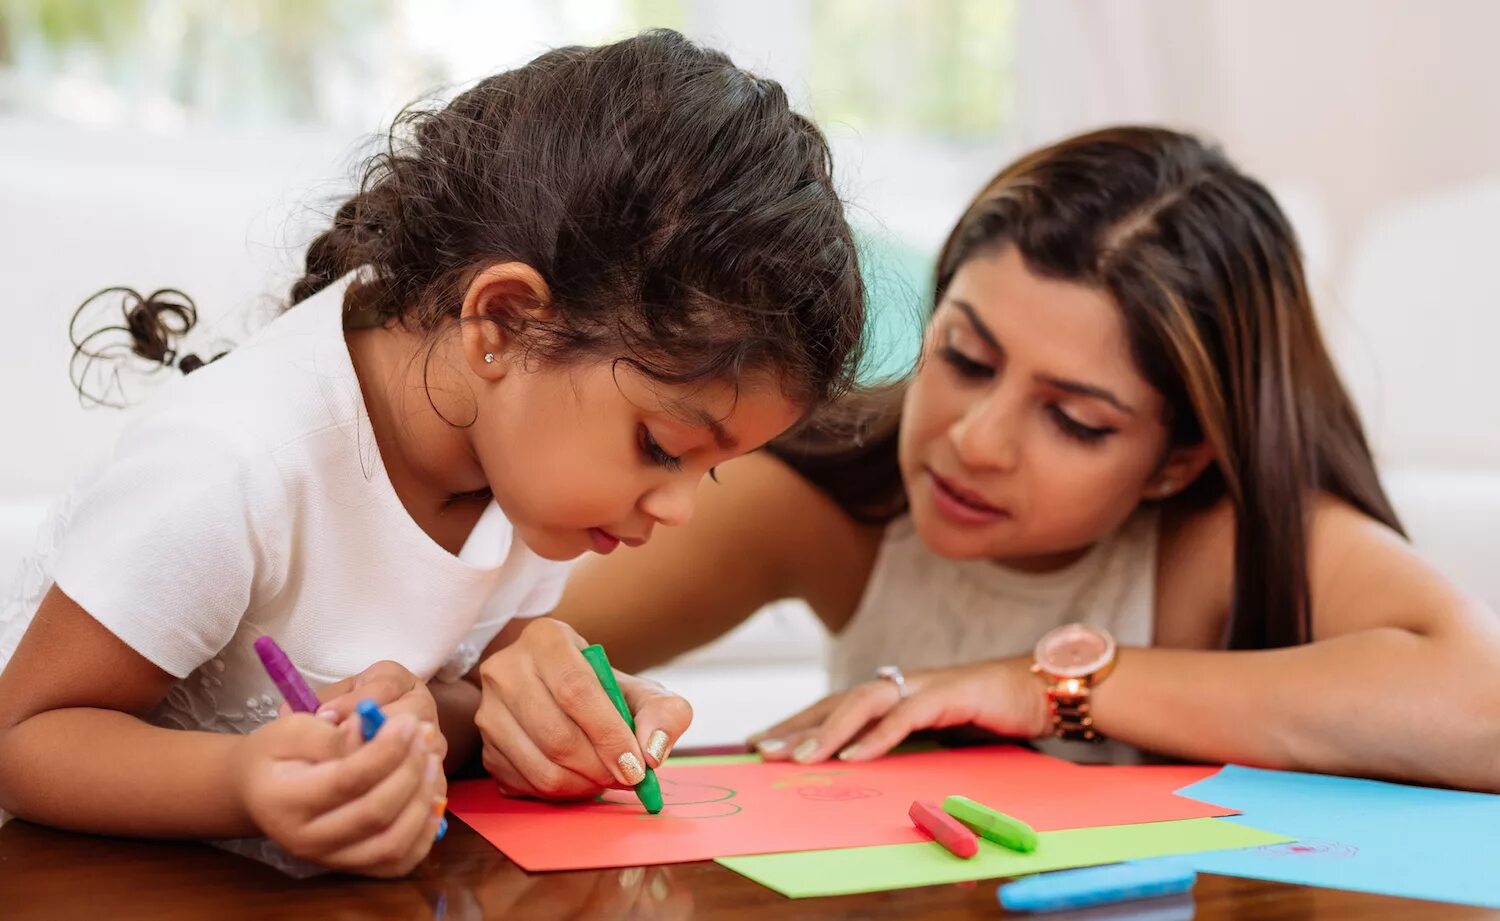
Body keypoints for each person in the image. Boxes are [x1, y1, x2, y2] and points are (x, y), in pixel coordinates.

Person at [0, 29, 866, 876]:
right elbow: (24, 734)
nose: (678, 507)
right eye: (661, 446)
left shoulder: (529, 465)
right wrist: (245, 781)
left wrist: (533, 713)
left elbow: (451, 704)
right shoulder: (235, 463)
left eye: (707, 467)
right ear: (505, 322)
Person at [477, 126, 1500, 798]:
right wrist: (520, 681)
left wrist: (1041, 687)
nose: (975, 440)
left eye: (1076, 420)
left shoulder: (1224, 536)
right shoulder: (833, 502)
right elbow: (483, 652)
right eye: (965, 357)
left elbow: (1482, 711)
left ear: (1175, 461)